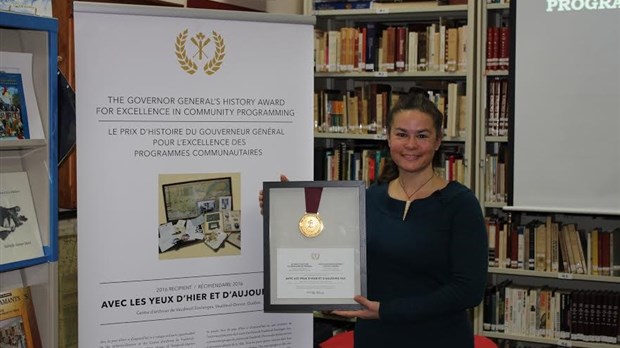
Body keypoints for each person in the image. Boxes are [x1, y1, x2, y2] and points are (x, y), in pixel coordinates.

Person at [259, 92, 488, 347]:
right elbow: (330, 249)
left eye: (422, 135)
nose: (411, 144)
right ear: (388, 138)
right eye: (402, 134)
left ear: (437, 142)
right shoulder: (369, 199)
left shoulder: (460, 204)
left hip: (439, 338)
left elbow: (469, 290)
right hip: (375, 337)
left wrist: (386, 310)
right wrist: (288, 210)